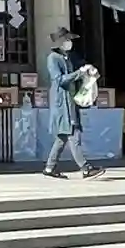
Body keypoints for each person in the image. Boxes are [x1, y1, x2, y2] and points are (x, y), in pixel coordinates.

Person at [41, 27, 99, 178]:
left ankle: (50, 167)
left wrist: (88, 69)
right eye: (67, 40)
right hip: (62, 102)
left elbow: (79, 68)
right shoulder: (53, 58)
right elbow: (59, 80)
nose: (69, 42)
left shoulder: (68, 57)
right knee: (73, 133)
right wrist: (79, 73)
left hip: (69, 100)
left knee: (62, 137)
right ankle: (85, 168)